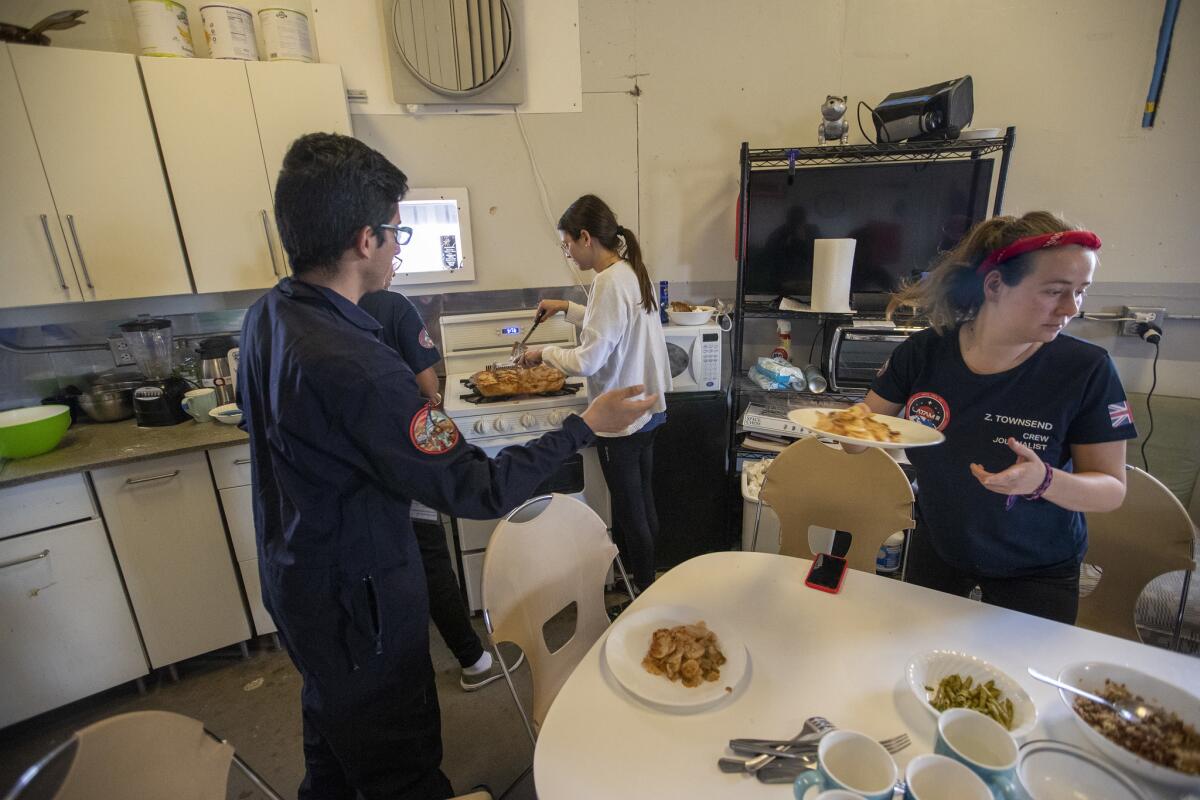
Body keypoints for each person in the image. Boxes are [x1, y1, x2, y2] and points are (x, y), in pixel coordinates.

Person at [237, 134, 656, 800]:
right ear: (364, 240)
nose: (400, 247)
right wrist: (580, 425)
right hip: (362, 602)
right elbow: (476, 484)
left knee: (334, 746)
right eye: (396, 233)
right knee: (398, 764)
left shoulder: (267, 318)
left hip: (298, 583)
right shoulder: (364, 368)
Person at [859, 211, 1135, 624]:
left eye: (1081, 292)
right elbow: (859, 427)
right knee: (915, 660)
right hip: (938, 548)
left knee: (1019, 683)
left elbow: (1111, 490)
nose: (1070, 308)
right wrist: (840, 433)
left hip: (1037, 568)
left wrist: (1044, 481)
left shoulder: (1086, 369)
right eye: (1055, 291)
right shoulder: (924, 353)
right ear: (994, 285)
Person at [359, 288, 519, 691]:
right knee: (430, 553)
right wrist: (434, 407)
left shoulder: (324, 311)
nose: (396, 251)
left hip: (361, 466)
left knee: (388, 563)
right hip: (406, 451)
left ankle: (396, 674)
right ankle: (473, 661)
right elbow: (427, 380)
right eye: (392, 238)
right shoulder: (393, 305)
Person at [517, 195, 672, 592]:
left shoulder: (606, 281)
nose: (568, 252)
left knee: (630, 512)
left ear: (585, 237)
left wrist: (542, 353)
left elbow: (588, 360)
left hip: (620, 417)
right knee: (645, 506)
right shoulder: (630, 270)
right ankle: (651, 582)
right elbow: (613, 326)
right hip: (650, 409)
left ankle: (642, 596)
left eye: (567, 244)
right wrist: (567, 307)